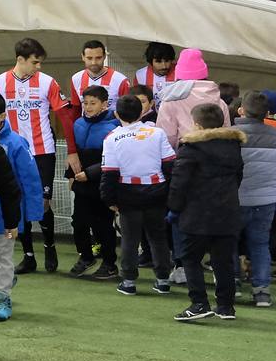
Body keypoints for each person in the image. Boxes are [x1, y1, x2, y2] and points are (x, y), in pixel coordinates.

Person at [0, 37, 75, 274]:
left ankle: (50, 246)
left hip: (42, 151)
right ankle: (28, 256)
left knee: (43, 202)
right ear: (20, 60)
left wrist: (72, 150)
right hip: (12, 152)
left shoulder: (48, 83)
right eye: (35, 62)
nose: (39, 67)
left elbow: (64, 116)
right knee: (18, 203)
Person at [168, 104, 245, 322]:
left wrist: (174, 208)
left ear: (197, 124)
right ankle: (226, 306)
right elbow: (238, 177)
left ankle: (199, 303)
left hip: (197, 213)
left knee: (191, 259)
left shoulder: (191, 148)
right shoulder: (234, 146)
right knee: (223, 261)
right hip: (228, 211)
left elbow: (179, 183)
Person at [0, 91, 44, 323]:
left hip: (7, 213)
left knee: (2, 255)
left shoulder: (16, 143)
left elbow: (31, 178)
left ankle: (1, 297)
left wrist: (33, 213)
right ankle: (4, 280)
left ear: (2, 116)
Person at [102, 93, 176, 296]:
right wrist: (170, 192)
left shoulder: (112, 138)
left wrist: (109, 199)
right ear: (142, 111)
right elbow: (170, 165)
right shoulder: (157, 133)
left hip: (128, 192)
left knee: (130, 239)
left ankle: (128, 282)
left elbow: (109, 173)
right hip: (156, 190)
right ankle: (162, 280)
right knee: (158, 237)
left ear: (116, 114)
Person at [233, 91, 276, 308]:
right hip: (267, 199)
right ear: (268, 112)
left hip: (235, 199)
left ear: (241, 110)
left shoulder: (231, 134)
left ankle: (232, 285)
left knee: (229, 243)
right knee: (260, 245)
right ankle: (262, 292)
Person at [67, 87, 122, 281]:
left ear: (105, 104)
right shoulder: (78, 124)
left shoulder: (115, 126)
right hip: (81, 183)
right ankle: (86, 257)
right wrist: (70, 176)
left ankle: (109, 263)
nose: (88, 107)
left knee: (103, 225)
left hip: (102, 184)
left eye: (93, 103)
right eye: (85, 103)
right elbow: (74, 154)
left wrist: (90, 174)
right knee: (78, 222)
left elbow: (114, 159)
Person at [157, 48, 228, 149]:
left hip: (185, 154)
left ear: (179, 74)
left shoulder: (170, 101)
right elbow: (226, 131)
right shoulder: (220, 101)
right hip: (218, 154)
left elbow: (167, 136)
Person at [70, 39, 130, 104]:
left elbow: (128, 110)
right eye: (89, 58)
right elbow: (75, 110)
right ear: (83, 57)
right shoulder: (76, 78)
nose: (94, 62)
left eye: (98, 58)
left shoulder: (120, 80)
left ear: (104, 56)